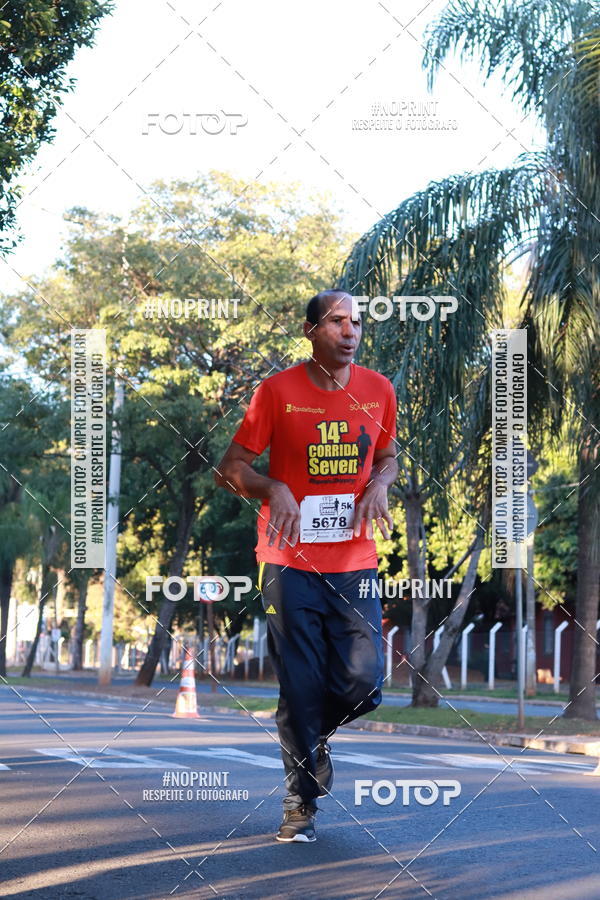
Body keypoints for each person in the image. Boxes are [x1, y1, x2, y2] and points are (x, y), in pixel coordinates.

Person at [214, 290, 398, 842]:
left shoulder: (378, 390)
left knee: (365, 682)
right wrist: (274, 488)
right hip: (287, 561)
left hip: (354, 561)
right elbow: (230, 467)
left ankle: (310, 735)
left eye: (356, 322)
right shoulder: (276, 392)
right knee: (299, 683)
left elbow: (387, 457)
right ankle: (300, 802)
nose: (350, 332)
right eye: (337, 322)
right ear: (311, 330)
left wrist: (380, 485)